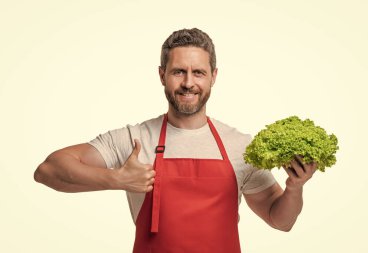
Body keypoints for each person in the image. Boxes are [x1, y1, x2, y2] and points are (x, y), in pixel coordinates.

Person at [34, 28, 317, 252]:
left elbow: (281, 220)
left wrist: (294, 187)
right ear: (162, 75)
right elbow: (48, 170)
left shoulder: (240, 146)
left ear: (213, 77)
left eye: (199, 73)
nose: (188, 83)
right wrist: (116, 179)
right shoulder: (134, 139)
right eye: (179, 71)